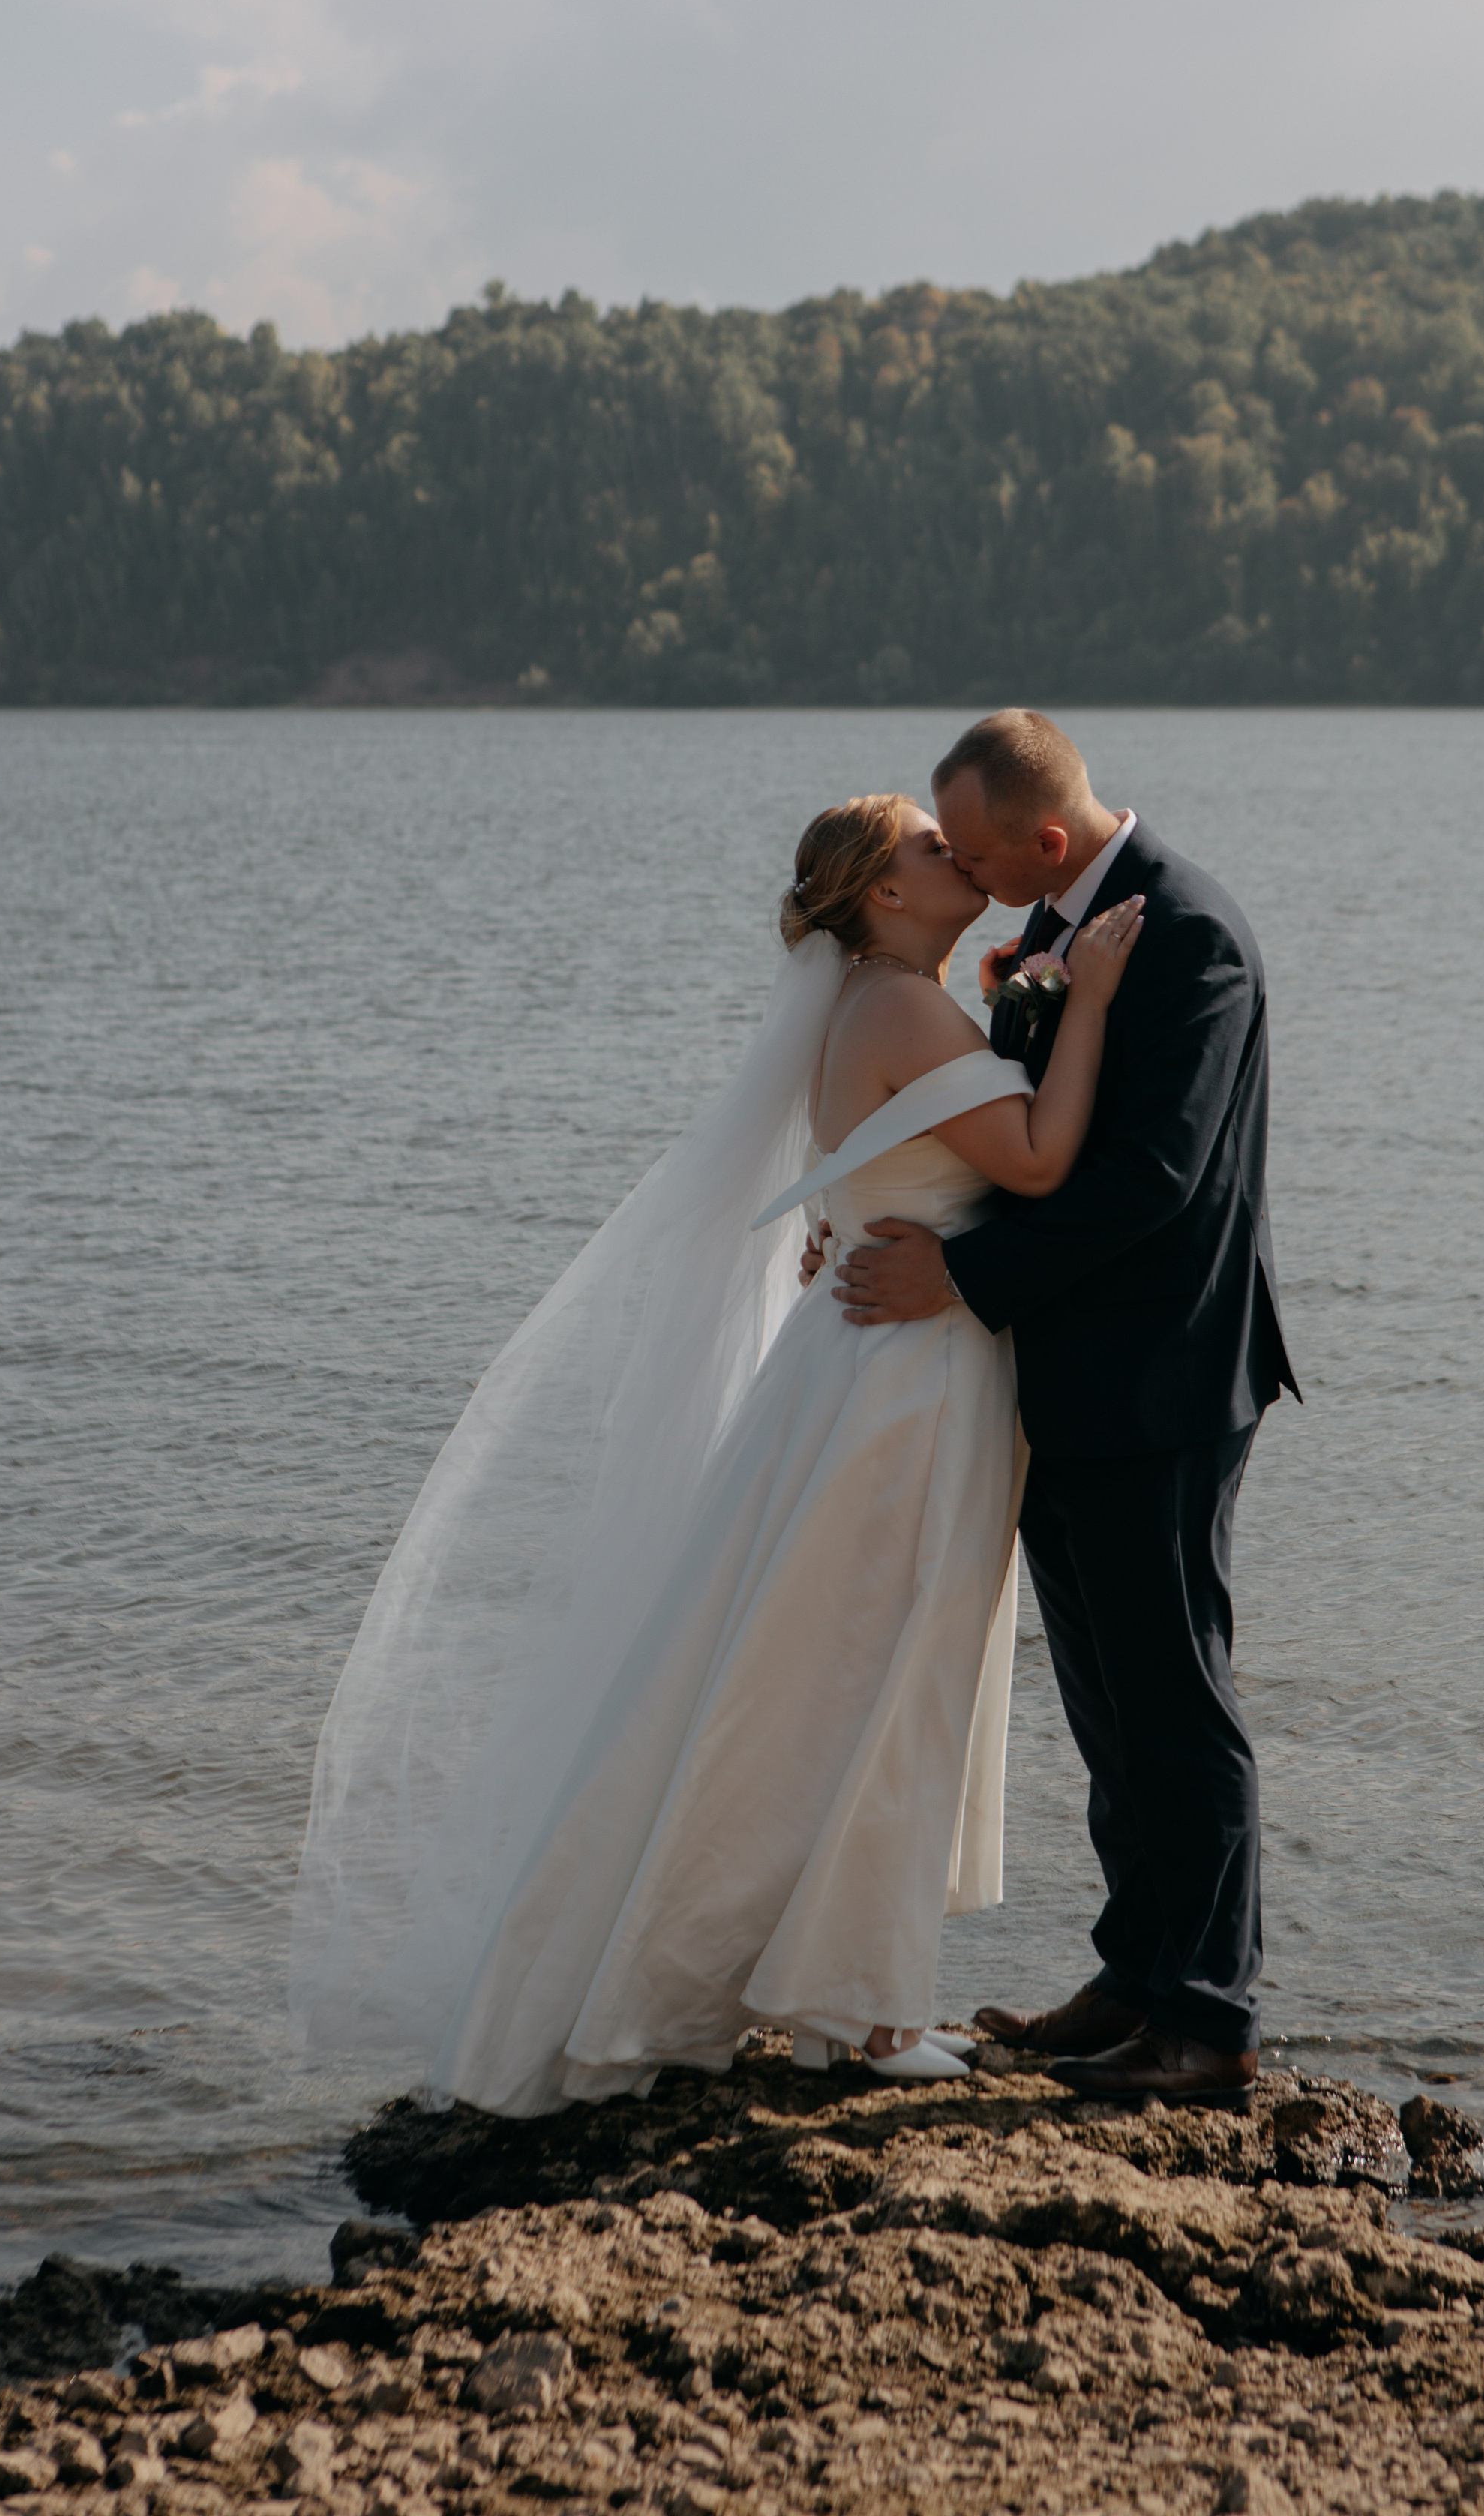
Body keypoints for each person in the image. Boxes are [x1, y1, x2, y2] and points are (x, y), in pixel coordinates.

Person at [289, 792, 1141, 2110]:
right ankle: (862, 2013)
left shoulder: (870, 1003)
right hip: (908, 1381)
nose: (954, 857)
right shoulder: (902, 1005)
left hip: (871, 1364)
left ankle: (830, 1999)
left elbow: (873, 1171)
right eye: (929, 847)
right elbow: (1031, 1161)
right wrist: (1083, 1001)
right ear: (881, 894)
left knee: (829, 1670)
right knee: (884, 1672)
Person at [820, 710, 1299, 2107]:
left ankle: (1209, 2019)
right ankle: (1136, 1972)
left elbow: (1148, 1177)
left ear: (1043, 838)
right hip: (1064, 1376)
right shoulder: (1060, 932)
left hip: (1163, 1379)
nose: (959, 867)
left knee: (1177, 1698)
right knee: (1104, 1698)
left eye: (970, 847)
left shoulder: (1191, 934)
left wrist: (956, 1274)